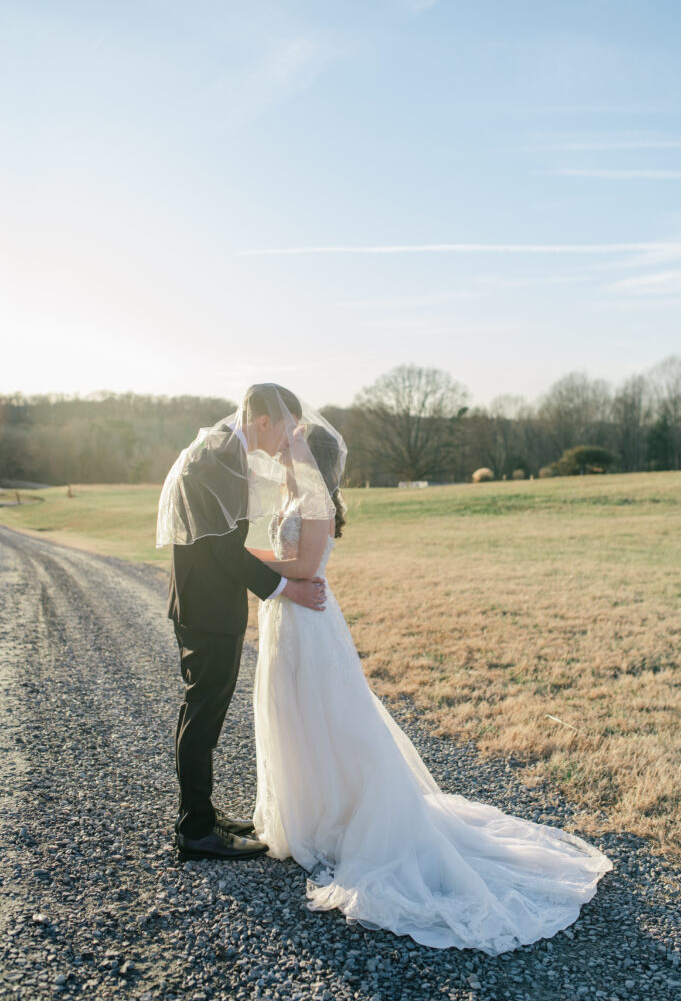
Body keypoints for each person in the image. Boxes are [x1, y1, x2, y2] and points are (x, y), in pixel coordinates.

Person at [247, 397, 613, 955]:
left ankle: (347, 816)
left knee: (334, 720)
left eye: (295, 442)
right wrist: (239, 554)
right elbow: (281, 554)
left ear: (310, 452)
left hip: (311, 621)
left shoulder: (315, 498)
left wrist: (243, 567)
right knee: (292, 714)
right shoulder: (290, 494)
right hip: (284, 618)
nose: (286, 446)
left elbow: (302, 566)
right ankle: (307, 816)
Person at [156, 384, 327, 862]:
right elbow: (224, 551)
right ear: (265, 421)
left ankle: (202, 816)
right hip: (207, 610)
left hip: (206, 605)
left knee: (203, 712)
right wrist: (287, 588)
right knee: (202, 714)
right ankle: (195, 830)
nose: (287, 441)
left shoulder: (222, 449)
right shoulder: (220, 457)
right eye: (287, 428)